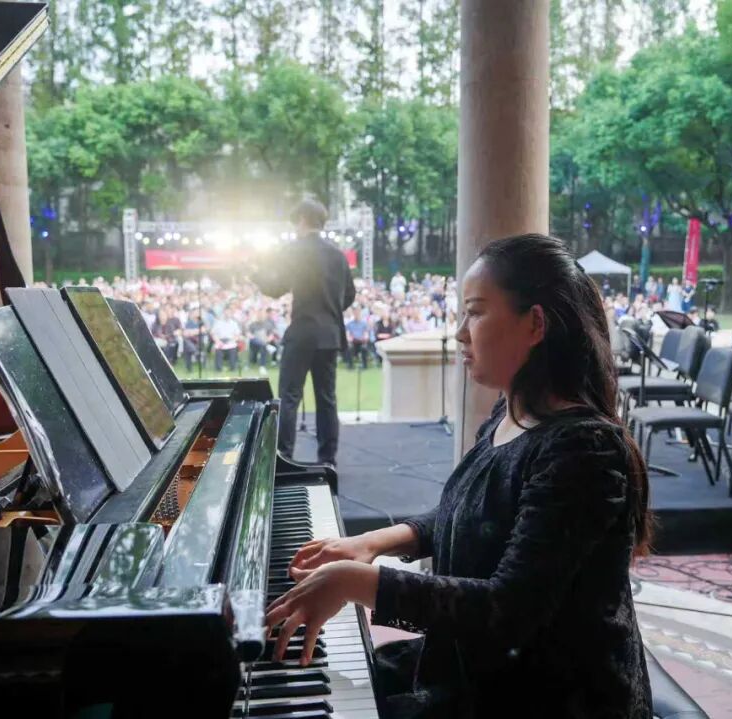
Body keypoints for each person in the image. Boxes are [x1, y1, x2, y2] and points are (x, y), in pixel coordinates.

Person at [265, 233, 652, 718]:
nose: (460, 333)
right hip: (495, 665)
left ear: (535, 324)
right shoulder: (512, 413)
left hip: (553, 694)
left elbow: (505, 610)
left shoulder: (584, 449)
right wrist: (373, 543)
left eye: (475, 312)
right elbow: (475, 514)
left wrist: (353, 582)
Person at [249, 198, 355, 466]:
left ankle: (285, 456)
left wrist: (254, 273)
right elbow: (349, 294)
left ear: (302, 220)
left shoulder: (294, 250)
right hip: (329, 334)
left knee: (289, 397)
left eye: (295, 223)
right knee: (327, 399)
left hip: (302, 333)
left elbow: (276, 288)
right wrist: (329, 311)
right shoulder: (337, 255)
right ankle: (327, 459)